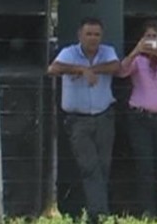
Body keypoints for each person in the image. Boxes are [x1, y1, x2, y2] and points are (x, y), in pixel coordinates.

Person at [47, 17, 120, 223]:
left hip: (104, 117)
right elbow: (53, 69)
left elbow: (116, 67)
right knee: (89, 167)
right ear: (80, 35)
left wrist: (92, 70)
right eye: (88, 34)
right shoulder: (69, 53)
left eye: (97, 34)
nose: (93, 38)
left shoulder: (107, 52)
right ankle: (99, 215)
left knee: (102, 167)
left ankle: (95, 212)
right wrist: (80, 69)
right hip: (77, 121)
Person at [119, 21, 157, 217]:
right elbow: (121, 71)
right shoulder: (138, 60)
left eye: (155, 37)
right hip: (141, 118)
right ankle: (148, 210)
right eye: (148, 37)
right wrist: (137, 50)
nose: (152, 41)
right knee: (145, 165)